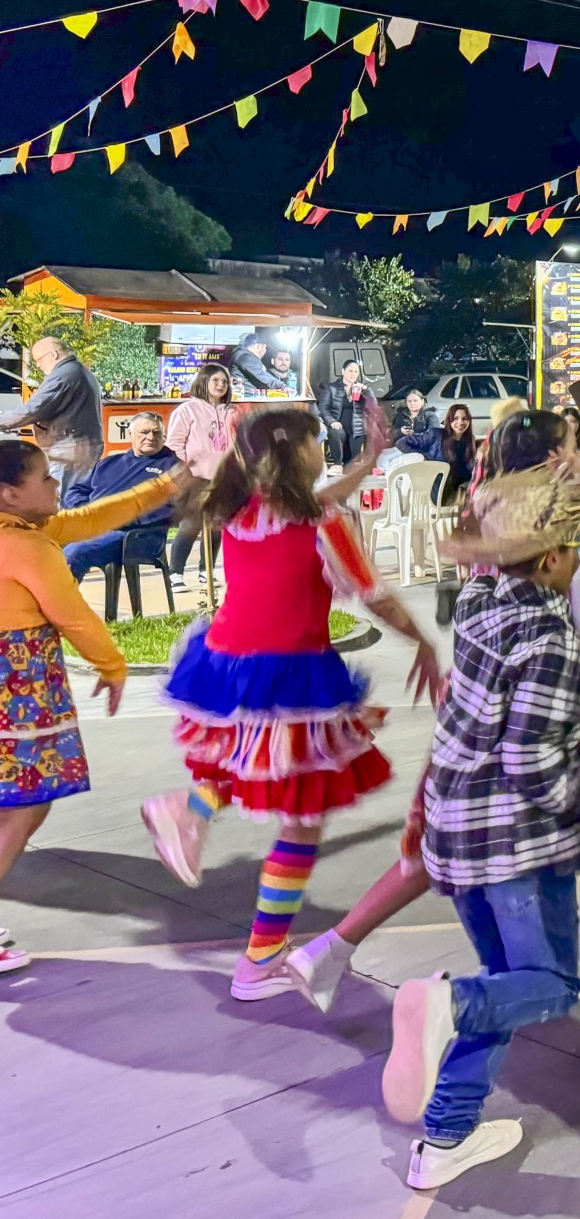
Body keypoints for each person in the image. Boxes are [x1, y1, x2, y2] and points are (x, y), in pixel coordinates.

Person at [281, 399, 580, 1016]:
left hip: (472, 703)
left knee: (441, 842)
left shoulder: (493, 510)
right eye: (572, 446)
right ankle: (520, 982)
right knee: (530, 841)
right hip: (533, 701)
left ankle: (345, 949)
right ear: (553, 460)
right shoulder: (553, 534)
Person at [379, 466, 580, 1190]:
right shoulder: (553, 641)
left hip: (454, 830)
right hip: (515, 847)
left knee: (508, 982)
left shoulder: (477, 601)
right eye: (577, 547)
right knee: (552, 984)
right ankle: (444, 1003)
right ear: (552, 558)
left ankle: (445, 1135)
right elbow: (532, 761)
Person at [137, 404, 442, 1001]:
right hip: (293, 675)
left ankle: (189, 811)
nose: (322, 449)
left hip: (228, 663)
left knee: (248, 761)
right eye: (317, 441)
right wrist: (425, 642)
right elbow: (374, 595)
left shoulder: (239, 508)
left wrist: (368, 461)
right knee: (302, 816)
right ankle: (259, 960)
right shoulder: (323, 522)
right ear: (299, 452)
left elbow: (318, 497)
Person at [0, 437, 188, 973]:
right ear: (11, 493)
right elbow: (73, 615)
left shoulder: (26, 530)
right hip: (17, 692)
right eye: (44, 477)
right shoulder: (28, 546)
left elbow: (92, 518)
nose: (55, 485)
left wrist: (164, 486)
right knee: (26, 803)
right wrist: (112, 665)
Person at [59, 411, 180, 580]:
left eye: (156, 432)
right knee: (42, 545)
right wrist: (87, 511)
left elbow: (169, 508)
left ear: (164, 436)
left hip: (136, 536)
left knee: (74, 553)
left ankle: (58, 597)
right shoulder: (108, 463)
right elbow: (76, 491)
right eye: (144, 432)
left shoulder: (173, 467)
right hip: (92, 525)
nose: (151, 437)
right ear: (131, 434)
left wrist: (117, 517)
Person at [165, 362, 239, 578]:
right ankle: (176, 573)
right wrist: (183, 472)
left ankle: (206, 571)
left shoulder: (232, 411)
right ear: (203, 381)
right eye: (215, 380)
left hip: (223, 479)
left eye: (224, 381)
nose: (221, 385)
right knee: (191, 525)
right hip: (195, 478)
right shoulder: (187, 410)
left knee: (216, 527)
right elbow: (175, 444)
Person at [0, 335, 102, 483]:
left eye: (39, 360)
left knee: (59, 494)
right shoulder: (77, 371)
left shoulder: (64, 375)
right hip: (78, 446)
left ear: (53, 354)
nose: (38, 365)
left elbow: (32, 410)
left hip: (69, 449)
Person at [400, 402, 481, 503]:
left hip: (459, 489)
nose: (460, 422)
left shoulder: (469, 439)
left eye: (464, 419)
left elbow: (468, 469)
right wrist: (423, 457)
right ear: (449, 420)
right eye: (455, 418)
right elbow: (402, 443)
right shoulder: (436, 434)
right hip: (437, 490)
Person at [317, 359, 371, 465]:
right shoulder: (331, 388)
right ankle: (337, 464)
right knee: (335, 432)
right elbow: (323, 407)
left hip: (355, 428)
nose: (353, 374)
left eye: (356, 372)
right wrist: (332, 421)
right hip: (338, 426)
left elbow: (373, 403)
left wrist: (367, 390)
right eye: (350, 371)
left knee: (352, 462)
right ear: (343, 371)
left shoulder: (359, 388)